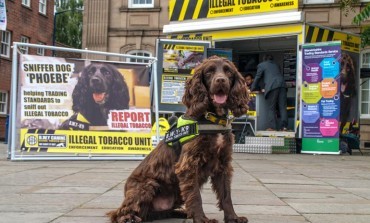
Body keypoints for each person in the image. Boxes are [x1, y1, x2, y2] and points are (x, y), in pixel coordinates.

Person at [250, 54, 288, 131]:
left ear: (264, 59)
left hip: (272, 86)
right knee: (282, 106)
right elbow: (272, 75)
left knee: (271, 107)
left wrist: (252, 88)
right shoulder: (276, 65)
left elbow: (258, 77)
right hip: (282, 85)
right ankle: (284, 127)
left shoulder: (262, 65)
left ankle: (272, 127)